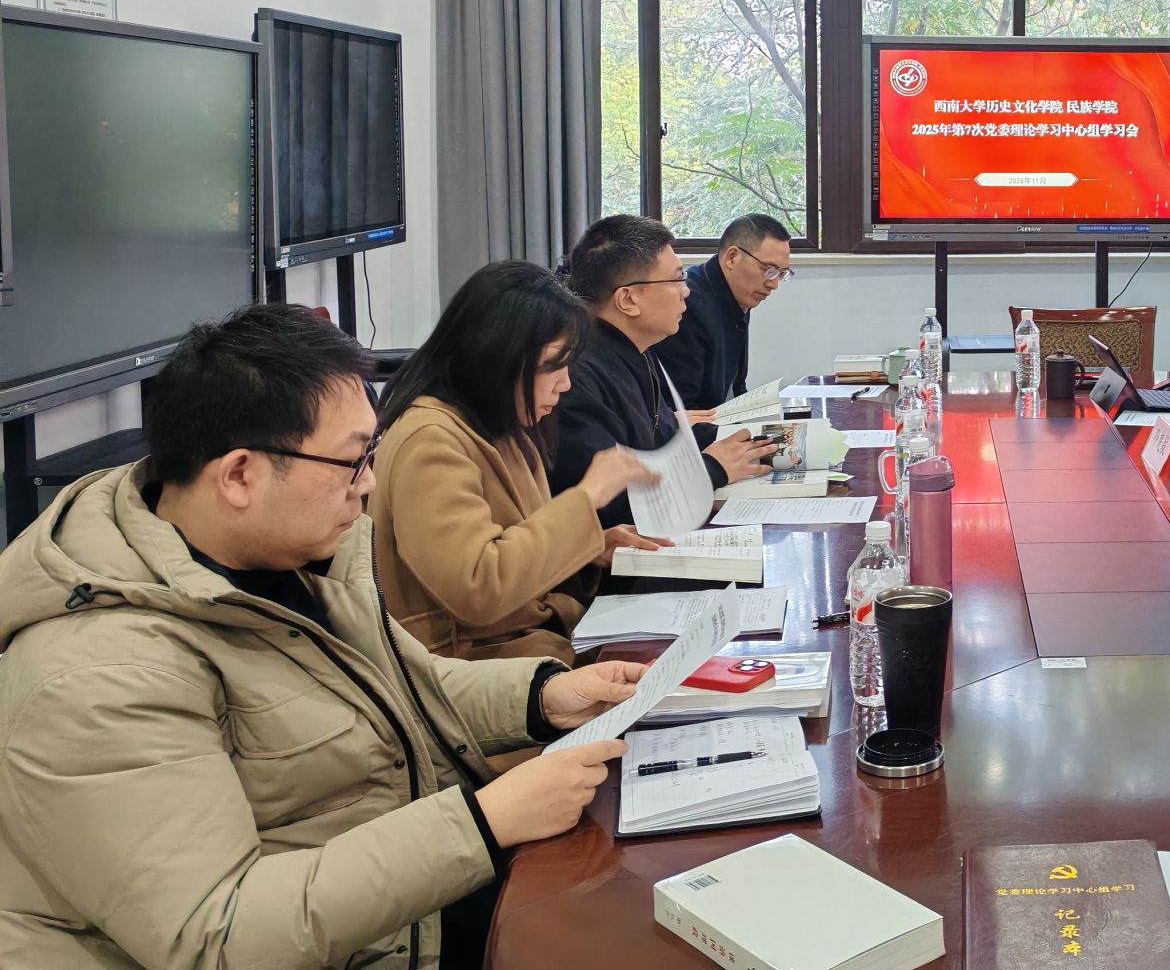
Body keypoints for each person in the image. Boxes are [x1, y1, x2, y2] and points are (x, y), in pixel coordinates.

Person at [0, 304, 647, 969]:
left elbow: (404, 685)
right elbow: (216, 938)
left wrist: (543, 698)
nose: (369, 484)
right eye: (352, 460)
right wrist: (483, 822)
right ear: (239, 475)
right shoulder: (99, 674)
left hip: (404, 914)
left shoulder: (288, 562)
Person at [372, 260, 672, 669]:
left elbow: (516, 544)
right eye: (553, 365)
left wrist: (590, 546)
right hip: (477, 668)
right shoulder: (429, 440)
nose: (565, 383)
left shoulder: (499, 421)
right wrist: (586, 498)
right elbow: (479, 588)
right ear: (495, 356)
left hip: (530, 644)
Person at [551, 214, 777, 527]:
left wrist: (754, 441)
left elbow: (664, 439)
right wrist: (713, 468)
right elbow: (614, 504)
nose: (687, 291)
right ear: (628, 299)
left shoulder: (634, 349)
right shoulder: (573, 378)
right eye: (677, 279)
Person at [653, 212, 794, 449]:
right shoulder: (688, 306)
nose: (774, 283)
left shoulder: (736, 295)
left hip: (718, 429)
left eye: (782, 273)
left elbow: (736, 389)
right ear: (732, 257)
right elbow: (684, 411)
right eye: (768, 269)